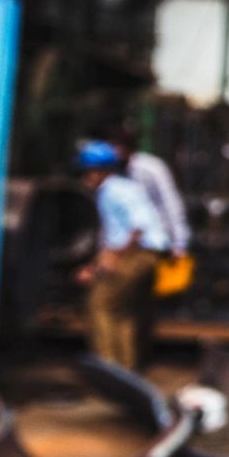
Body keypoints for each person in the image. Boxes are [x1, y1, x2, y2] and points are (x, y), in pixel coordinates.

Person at [75, 139, 170, 371]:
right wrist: (96, 264)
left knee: (100, 305)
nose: (85, 177)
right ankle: (126, 372)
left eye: (89, 171)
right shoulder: (120, 188)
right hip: (144, 254)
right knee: (123, 313)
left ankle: (107, 368)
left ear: (102, 170)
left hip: (137, 254)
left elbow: (137, 228)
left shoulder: (113, 191)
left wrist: (114, 259)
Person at [104, 124, 191, 365]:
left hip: (150, 245)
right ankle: (128, 363)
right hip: (124, 247)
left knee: (137, 307)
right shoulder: (109, 172)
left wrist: (179, 243)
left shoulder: (150, 169)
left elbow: (171, 205)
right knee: (126, 307)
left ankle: (133, 360)